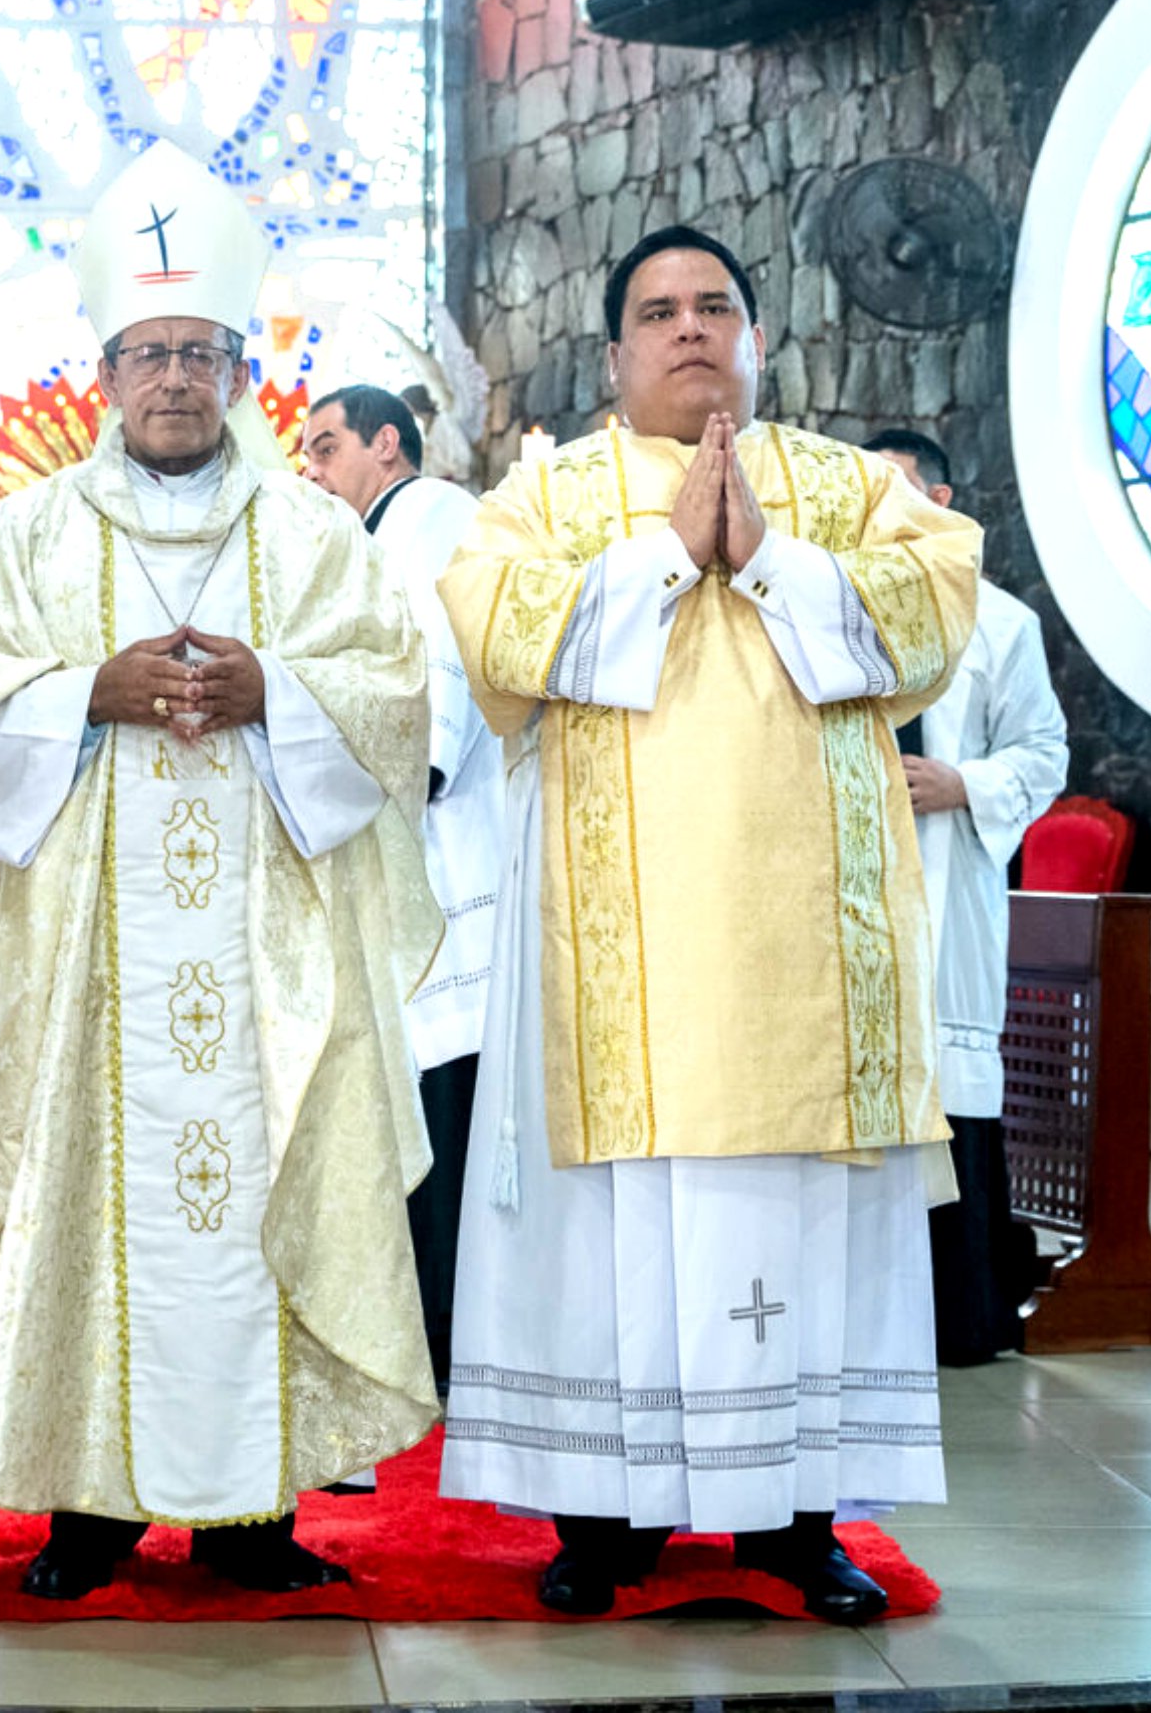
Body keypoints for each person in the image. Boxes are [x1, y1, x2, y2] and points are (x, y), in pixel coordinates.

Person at [0, 140, 441, 1601]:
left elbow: (396, 694)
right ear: (105, 372)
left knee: (264, 1180)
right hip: (90, 950)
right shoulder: (29, 534)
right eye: (148, 353)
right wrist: (80, 694)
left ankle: (254, 1518)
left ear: (240, 371)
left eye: (199, 352)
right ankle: (86, 1509)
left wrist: (276, 693)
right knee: (86, 1191)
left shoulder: (311, 534)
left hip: (266, 946)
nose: (174, 377)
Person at [437, 225, 980, 1626]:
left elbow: (935, 614)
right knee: (603, 1245)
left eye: (714, 305)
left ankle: (798, 1525)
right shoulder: (548, 495)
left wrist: (776, 560)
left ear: (755, 336)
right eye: (657, 311)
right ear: (614, 353)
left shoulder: (844, 487)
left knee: (803, 1238)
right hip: (612, 962)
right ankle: (600, 1521)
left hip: (807, 961)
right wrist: (668, 563)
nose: (689, 328)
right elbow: (496, 639)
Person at [301, 384, 501, 1386]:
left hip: (445, 856)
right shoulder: (377, 534)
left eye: (325, 446)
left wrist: (401, 773)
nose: (310, 469)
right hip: (411, 854)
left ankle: (448, 1337)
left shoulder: (429, 518)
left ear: (387, 443)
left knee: (448, 1109)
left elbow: (434, 671)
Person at [866, 428, 1068, 1364]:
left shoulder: (1000, 621)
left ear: (941, 501)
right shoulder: (827, 612)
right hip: (848, 900)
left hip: (949, 891)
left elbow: (1044, 751)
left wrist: (965, 784)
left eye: (895, 488)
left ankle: (961, 1319)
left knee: (949, 1098)